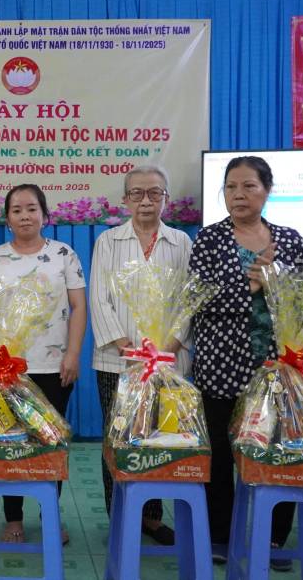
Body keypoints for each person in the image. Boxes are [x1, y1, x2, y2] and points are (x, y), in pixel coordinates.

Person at [189, 156, 303, 569]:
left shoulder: (291, 240)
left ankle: (275, 538)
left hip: (278, 364)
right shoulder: (209, 240)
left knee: (277, 449)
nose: (239, 195)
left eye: (248, 186)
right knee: (222, 453)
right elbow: (198, 301)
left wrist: (276, 285)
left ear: (266, 190)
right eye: (231, 188)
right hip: (220, 364)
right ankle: (220, 535)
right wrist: (250, 285)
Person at [0, 183, 86, 545]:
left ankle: (50, 512)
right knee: (10, 441)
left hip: (55, 367)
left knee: (50, 444)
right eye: (17, 210)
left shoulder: (64, 254)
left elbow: (79, 307)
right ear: (7, 219)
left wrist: (72, 354)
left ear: (44, 214)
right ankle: (13, 518)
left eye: (31, 209)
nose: (25, 215)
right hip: (7, 370)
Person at [88, 164, 191, 545]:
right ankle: (119, 515)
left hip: (167, 363)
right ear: (125, 199)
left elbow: (186, 303)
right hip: (117, 362)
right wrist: (126, 347)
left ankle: (150, 517)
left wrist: (168, 349)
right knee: (116, 440)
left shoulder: (181, 242)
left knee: (156, 439)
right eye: (138, 193)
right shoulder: (108, 242)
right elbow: (99, 300)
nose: (146, 200)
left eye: (154, 193)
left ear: (166, 198)